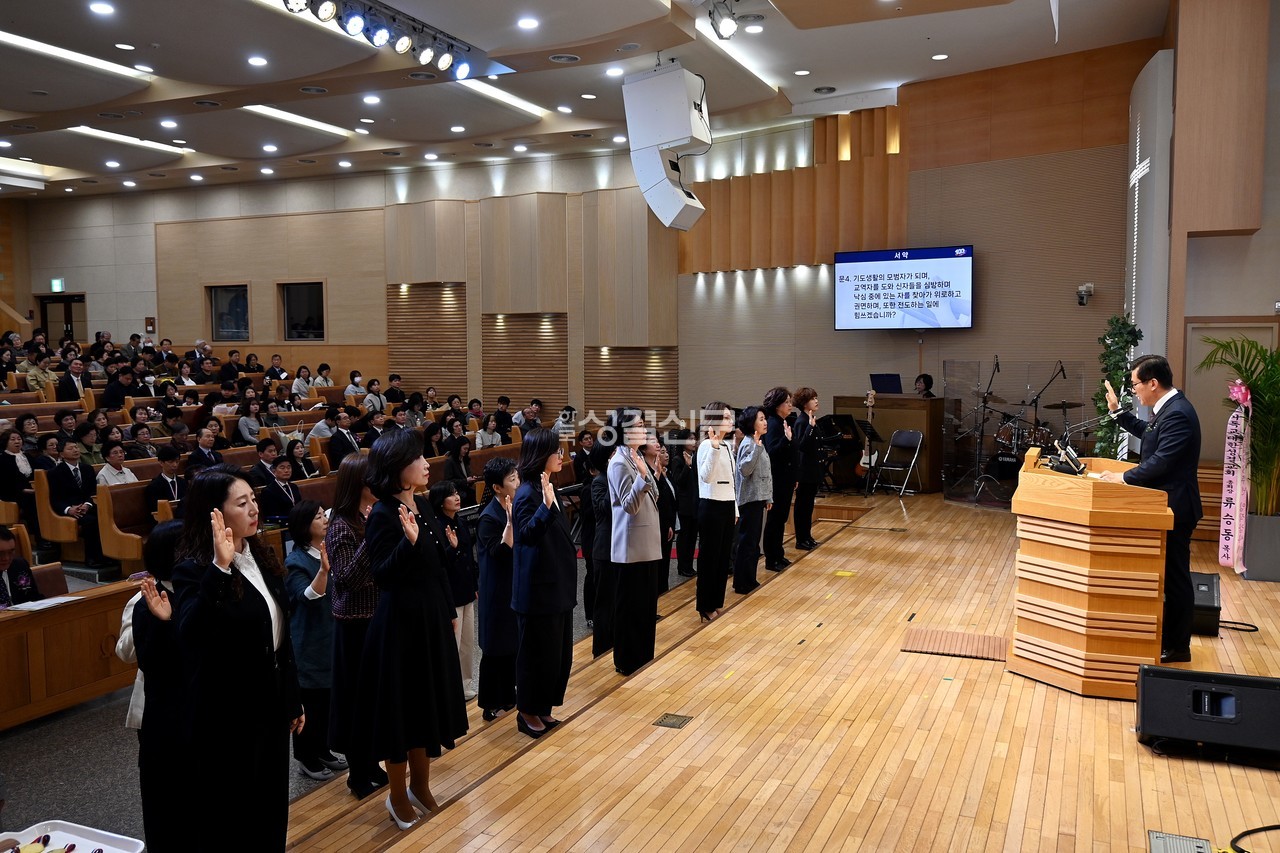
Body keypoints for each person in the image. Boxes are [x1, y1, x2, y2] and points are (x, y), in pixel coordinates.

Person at [170, 468, 304, 849]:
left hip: (270, 701)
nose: (253, 509)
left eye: (254, 500)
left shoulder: (260, 554)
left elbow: (281, 635)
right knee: (233, 812)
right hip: (227, 713)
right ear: (215, 514)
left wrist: (291, 696)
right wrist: (220, 568)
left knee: (271, 803)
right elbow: (190, 633)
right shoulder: (194, 568)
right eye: (241, 503)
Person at [356, 428, 467, 830]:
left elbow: (435, 564)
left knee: (426, 709)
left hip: (430, 619)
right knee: (401, 716)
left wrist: (448, 607)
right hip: (399, 627)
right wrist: (409, 544)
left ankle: (421, 786)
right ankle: (397, 796)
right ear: (397, 468)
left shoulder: (421, 503)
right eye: (418, 459)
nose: (426, 464)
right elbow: (382, 576)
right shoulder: (384, 513)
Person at [1101, 354, 1203, 664]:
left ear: (1153, 383)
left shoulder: (1179, 414)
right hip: (1163, 505)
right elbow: (1149, 434)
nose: (1135, 392)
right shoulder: (1168, 409)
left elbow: (1162, 462)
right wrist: (1118, 411)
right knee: (1169, 575)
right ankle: (1169, 639)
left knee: (1175, 578)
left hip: (1175, 507)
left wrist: (1122, 478)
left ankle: (1177, 646)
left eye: (1135, 386)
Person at [118, 521, 183, 852]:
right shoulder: (143, 599)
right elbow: (127, 652)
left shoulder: (194, 587)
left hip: (195, 702)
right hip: (160, 706)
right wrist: (154, 622)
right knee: (165, 792)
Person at [325, 453, 387, 799]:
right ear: (360, 484)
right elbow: (347, 579)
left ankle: (370, 763)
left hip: (376, 620)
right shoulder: (340, 526)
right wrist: (373, 536)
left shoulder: (370, 517)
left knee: (374, 699)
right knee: (355, 701)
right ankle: (357, 772)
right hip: (353, 627)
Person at [511, 428, 577, 738]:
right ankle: (527, 711)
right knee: (536, 654)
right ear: (541, 455)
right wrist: (546, 508)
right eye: (556, 452)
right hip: (537, 592)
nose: (561, 456)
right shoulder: (526, 493)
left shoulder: (547, 486)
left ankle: (544, 707)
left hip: (556, 586)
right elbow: (525, 536)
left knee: (557, 654)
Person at [285, 501, 348, 781]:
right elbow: (306, 596)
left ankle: (323, 750)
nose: (324, 520)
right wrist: (323, 571)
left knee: (329, 700)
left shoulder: (327, 549)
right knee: (311, 703)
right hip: (309, 641)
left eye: (325, 515)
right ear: (303, 525)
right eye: (318, 517)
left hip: (330, 634)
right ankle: (306, 758)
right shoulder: (296, 560)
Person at [607, 407, 661, 676]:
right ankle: (628, 660)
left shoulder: (636, 455)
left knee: (646, 606)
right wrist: (642, 477)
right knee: (631, 608)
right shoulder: (618, 461)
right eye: (639, 425)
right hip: (631, 547)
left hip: (646, 542)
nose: (644, 429)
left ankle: (643, 656)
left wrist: (651, 475)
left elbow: (653, 495)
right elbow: (628, 505)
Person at [476, 457, 519, 722]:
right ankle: (489, 702)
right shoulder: (488, 518)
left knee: (512, 645)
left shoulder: (514, 506)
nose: (518, 483)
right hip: (496, 592)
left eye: (517, 478)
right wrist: (512, 523)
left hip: (514, 586)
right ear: (497, 488)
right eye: (512, 480)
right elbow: (501, 554)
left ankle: (509, 694)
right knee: (495, 649)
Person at [431, 481, 479, 700]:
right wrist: (453, 548)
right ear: (441, 502)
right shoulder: (437, 526)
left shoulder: (459, 521)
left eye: (457, 493)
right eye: (451, 495)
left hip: (466, 589)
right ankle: (450, 689)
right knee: (454, 643)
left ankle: (465, 683)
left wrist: (474, 585)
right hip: (450, 595)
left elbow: (470, 557)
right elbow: (440, 565)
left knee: (468, 642)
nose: (457, 497)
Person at [696, 402, 737, 621]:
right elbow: (706, 477)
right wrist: (713, 449)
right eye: (727, 417)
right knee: (709, 559)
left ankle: (716, 601)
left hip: (727, 504)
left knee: (722, 559)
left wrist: (736, 507)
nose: (731, 421)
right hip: (710, 506)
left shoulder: (728, 446)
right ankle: (704, 606)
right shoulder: (705, 446)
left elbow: (731, 481)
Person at [733, 407, 771, 594]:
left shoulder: (757, 442)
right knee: (748, 543)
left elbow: (766, 473)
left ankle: (749, 578)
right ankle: (742, 582)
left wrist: (768, 496)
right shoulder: (749, 443)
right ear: (751, 423)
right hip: (749, 500)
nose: (765, 422)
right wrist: (756, 448)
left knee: (753, 542)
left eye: (765, 419)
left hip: (758, 498)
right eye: (761, 419)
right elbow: (745, 470)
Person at [761, 387, 797, 572]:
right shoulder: (773, 423)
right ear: (777, 404)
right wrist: (787, 439)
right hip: (776, 479)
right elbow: (772, 452)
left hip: (786, 478)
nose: (790, 405)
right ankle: (771, 558)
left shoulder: (782, 421)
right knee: (775, 520)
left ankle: (778, 554)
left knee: (781, 518)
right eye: (787, 402)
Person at [791, 387, 823, 551]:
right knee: (802, 506)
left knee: (808, 505)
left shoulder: (809, 418)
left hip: (812, 469)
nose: (816, 401)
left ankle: (807, 536)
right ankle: (801, 539)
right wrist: (810, 428)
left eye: (816, 397)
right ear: (804, 403)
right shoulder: (802, 421)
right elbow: (801, 446)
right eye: (812, 398)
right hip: (804, 471)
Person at [668, 429, 699, 578]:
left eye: (694, 439)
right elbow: (678, 481)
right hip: (684, 505)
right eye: (690, 439)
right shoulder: (677, 460)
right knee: (685, 537)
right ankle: (682, 566)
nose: (694, 442)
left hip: (694, 503)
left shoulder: (695, 457)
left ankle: (689, 565)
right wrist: (687, 466)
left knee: (693, 536)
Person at [0, 524, 43, 606]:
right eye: (0, 553)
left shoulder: (20, 566)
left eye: (11, 552)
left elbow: (34, 597)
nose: (6, 558)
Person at [145, 445, 187, 516]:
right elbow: (155, 510)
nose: (175, 465)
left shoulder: (183, 483)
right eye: (171, 462)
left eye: (177, 462)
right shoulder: (154, 486)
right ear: (161, 463)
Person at [259, 457, 302, 522]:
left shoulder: (294, 487)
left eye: (289, 467)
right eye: (282, 468)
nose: (286, 470)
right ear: (274, 471)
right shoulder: (268, 491)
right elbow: (271, 515)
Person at [442, 438, 478, 506]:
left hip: (466, 488)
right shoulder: (450, 461)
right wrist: (465, 481)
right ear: (458, 447)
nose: (466, 451)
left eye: (468, 449)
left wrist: (472, 479)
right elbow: (448, 481)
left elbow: (467, 475)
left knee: (473, 493)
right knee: (466, 496)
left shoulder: (465, 459)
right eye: (464, 449)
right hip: (457, 490)